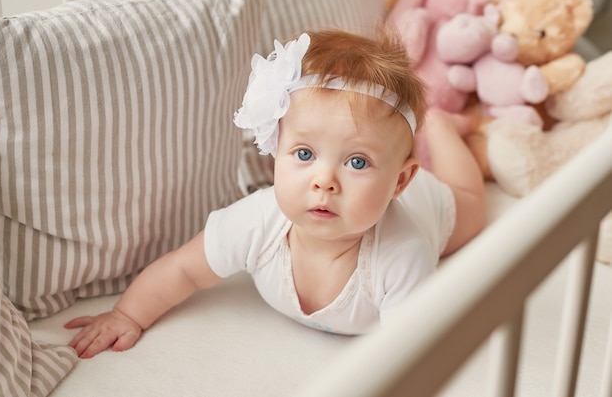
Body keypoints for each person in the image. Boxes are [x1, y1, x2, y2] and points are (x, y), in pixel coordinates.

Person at [65, 28, 485, 358]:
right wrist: (126, 314)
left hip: (431, 205)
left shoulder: (403, 253)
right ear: (275, 154)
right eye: (304, 153)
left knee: (471, 201)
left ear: (399, 181)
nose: (324, 181)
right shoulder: (256, 221)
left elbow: (412, 355)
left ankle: (444, 127)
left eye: (357, 162)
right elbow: (184, 269)